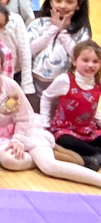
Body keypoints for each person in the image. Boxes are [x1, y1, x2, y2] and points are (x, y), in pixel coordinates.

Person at [0, 45, 101, 189]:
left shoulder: (9, 85)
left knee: (49, 166)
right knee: (9, 161)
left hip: (23, 130)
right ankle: (49, 153)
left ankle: (93, 178)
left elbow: (24, 116)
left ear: (1, 68)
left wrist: (18, 140)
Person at [39, 39, 101, 170]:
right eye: (85, 60)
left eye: (95, 61)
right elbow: (46, 96)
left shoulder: (97, 83)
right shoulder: (65, 80)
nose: (90, 65)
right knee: (66, 141)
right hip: (65, 129)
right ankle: (93, 154)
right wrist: (45, 124)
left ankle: (93, 156)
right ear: (74, 61)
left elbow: (93, 107)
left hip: (88, 129)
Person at [27, 0, 91, 106]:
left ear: (78, 6)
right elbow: (29, 50)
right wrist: (53, 30)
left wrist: (63, 32)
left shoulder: (81, 31)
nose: (63, 6)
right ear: (51, 2)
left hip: (62, 84)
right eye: (58, 0)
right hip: (33, 79)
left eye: (69, 2)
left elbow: (79, 56)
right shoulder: (38, 24)